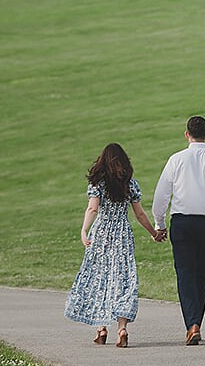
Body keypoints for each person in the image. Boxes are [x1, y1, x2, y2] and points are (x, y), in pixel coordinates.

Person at [152, 116, 205, 345]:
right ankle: (195, 322)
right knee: (202, 274)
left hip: (182, 222)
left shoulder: (176, 160)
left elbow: (162, 195)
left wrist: (159, 223)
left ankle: (192, 323)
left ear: (186, 134)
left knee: (185, 273)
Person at [65, 142, 162, 347]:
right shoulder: (130, 184)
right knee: (123, 279)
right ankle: (122, 329)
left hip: (101, 234)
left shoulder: (97, 183)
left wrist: (83, 230)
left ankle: (101, 329)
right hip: (122, 235)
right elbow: (139, 214)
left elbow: (92, 209)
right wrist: (154, 233)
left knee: (99, 278)